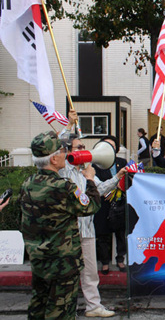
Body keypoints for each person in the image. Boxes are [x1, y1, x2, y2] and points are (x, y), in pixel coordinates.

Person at [20, 131, 101, 319]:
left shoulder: (28, 184)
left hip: (39, 259)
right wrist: (89, 180)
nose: (65, 154)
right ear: (54, 159)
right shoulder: (63, 187)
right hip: (62, 263)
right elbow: (91, 206)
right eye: (62, 151)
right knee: (61, 310)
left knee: (39, 304)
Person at [60, 135, 124, 317]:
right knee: (67, 273)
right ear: (68, 151)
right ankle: (66, 308)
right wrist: (68, 126)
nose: (83, 150)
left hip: (87, 229)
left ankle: (93, 306)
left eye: (83, 146)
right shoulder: (63, 170)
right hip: (68, 232)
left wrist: (117, 178)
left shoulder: (85, 170)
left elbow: (100, 190)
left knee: (89, 272)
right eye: (79, 147)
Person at [92, 135, 129, 275]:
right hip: (103, 203)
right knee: (103, 234)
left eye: (112, 146)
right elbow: (97, 186)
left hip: (119, 204)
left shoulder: (122, 162)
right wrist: (107, 194)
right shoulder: (95, 165)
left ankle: (120, 259)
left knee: (121, 233)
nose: (110, 148)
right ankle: (105, 262)